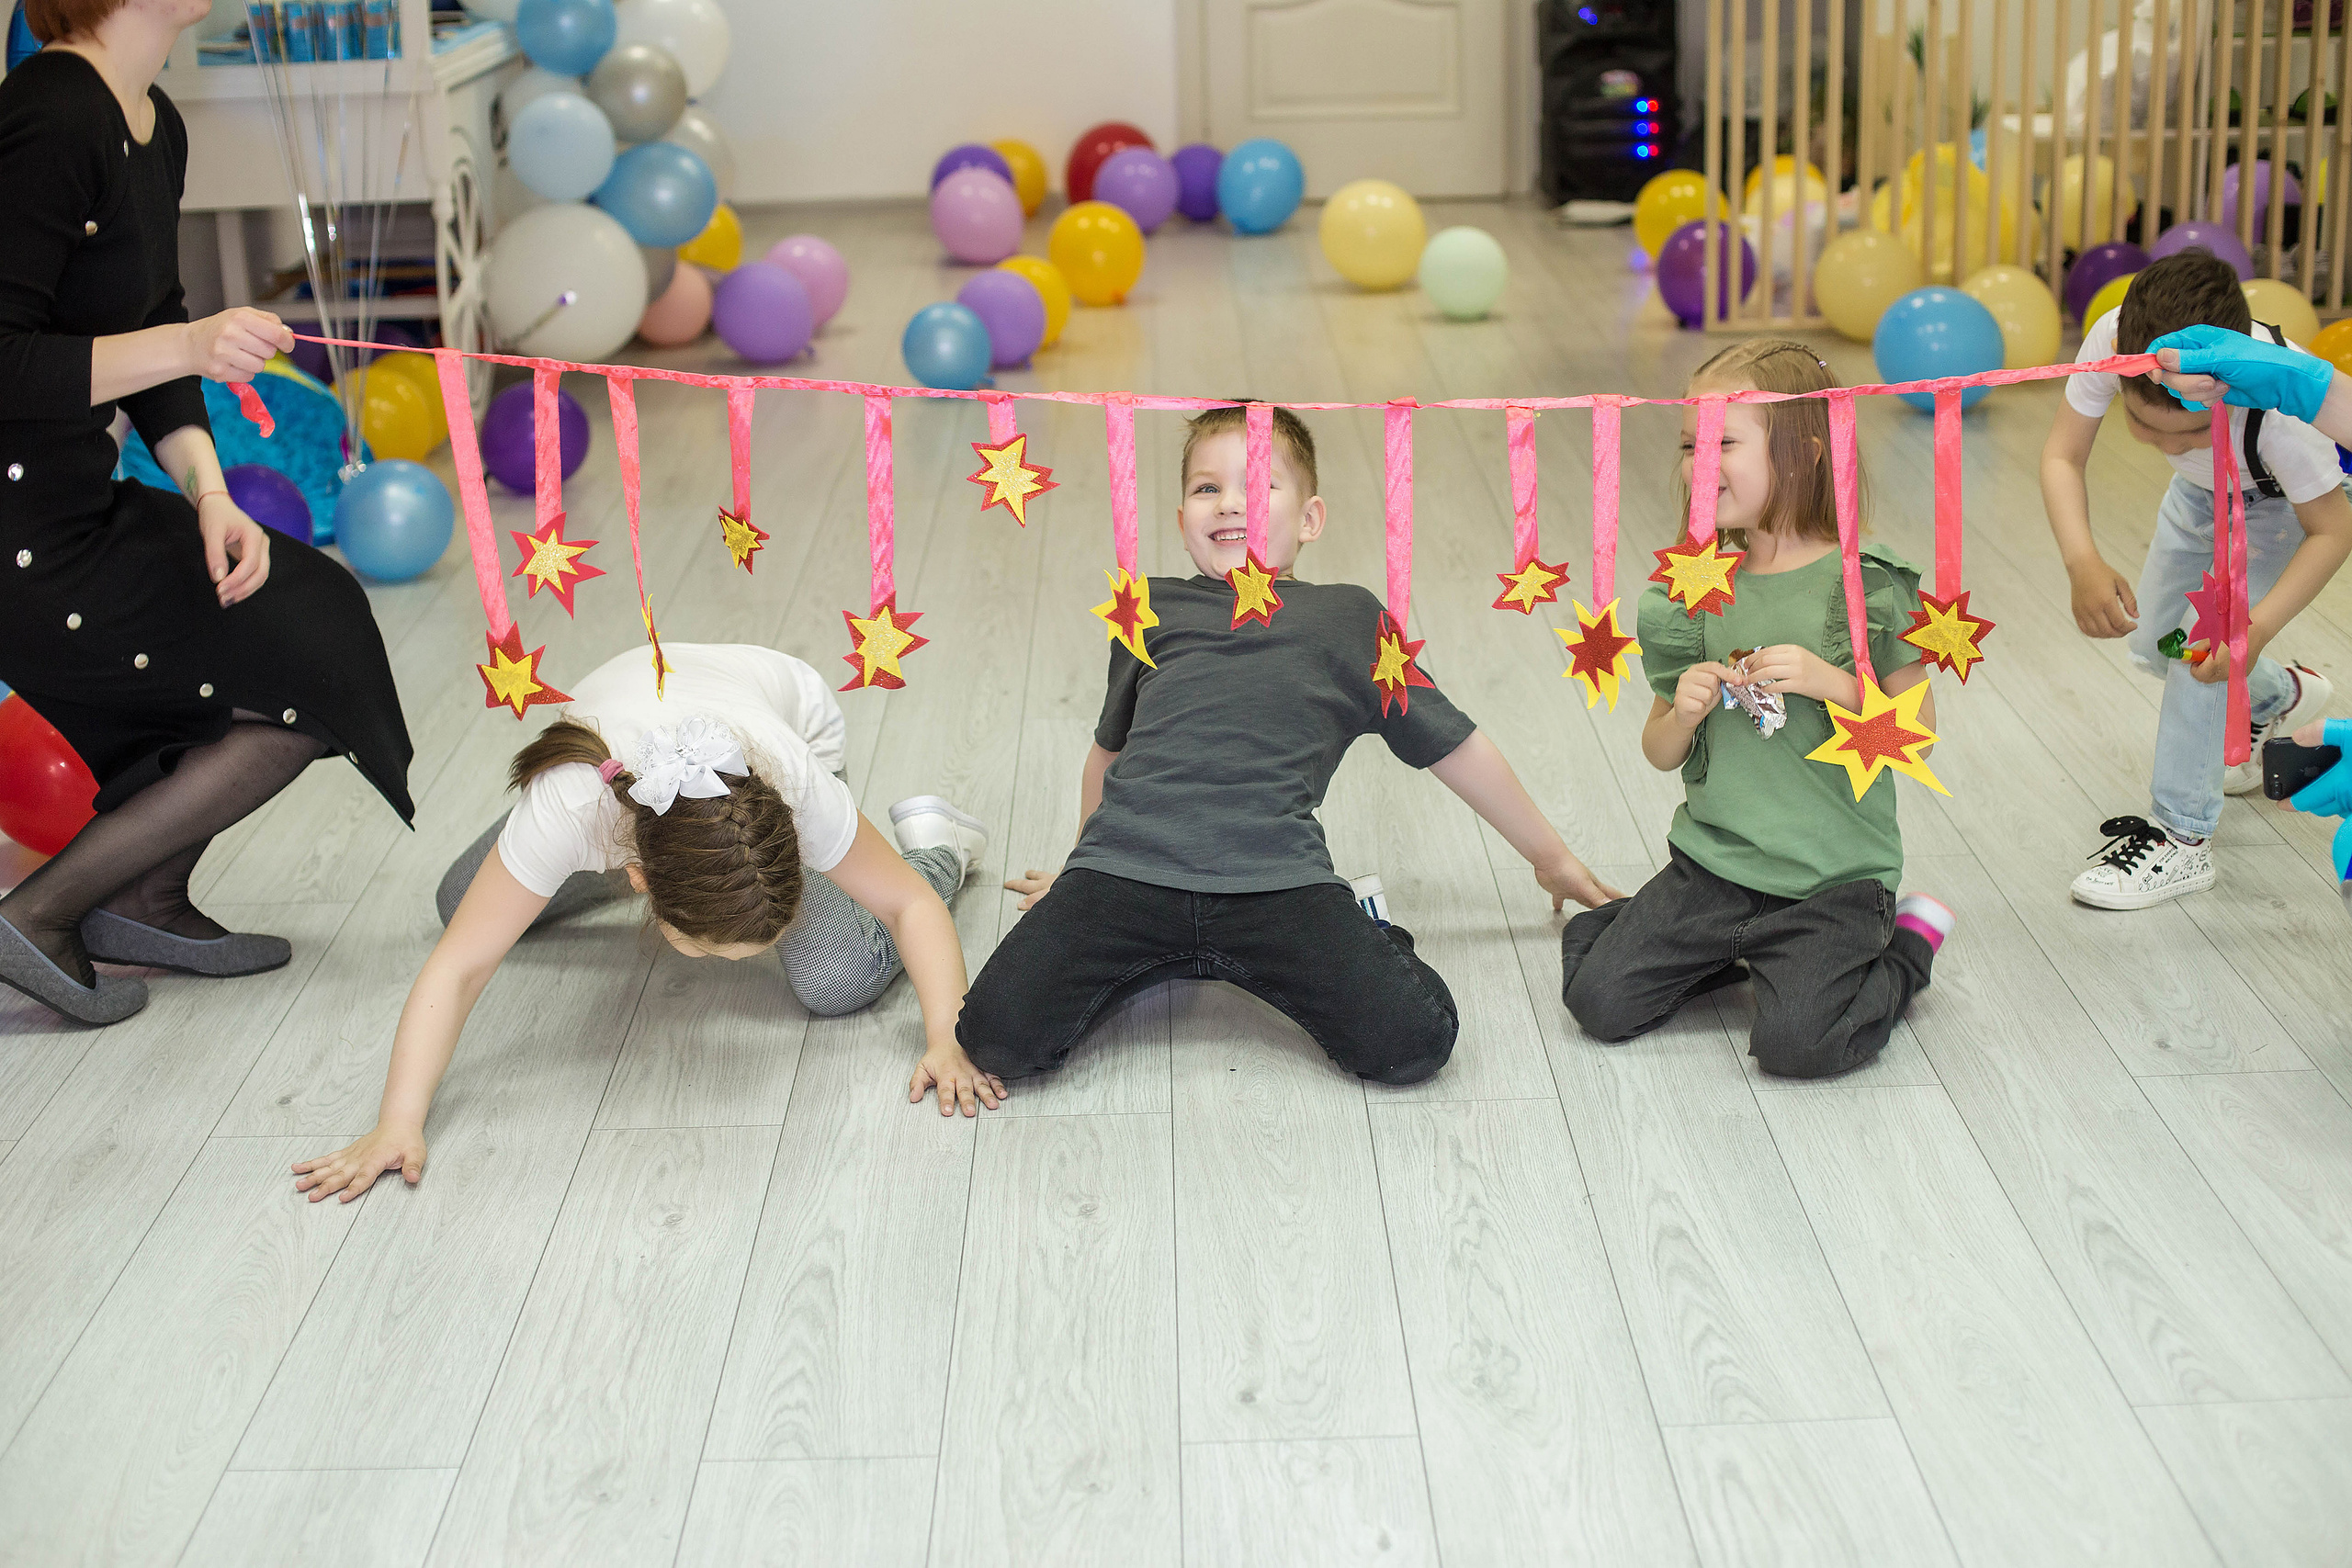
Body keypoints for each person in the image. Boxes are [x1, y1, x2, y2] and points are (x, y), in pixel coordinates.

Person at [954, 402, 1618, 1087]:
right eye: (1205, 488)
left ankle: (1365, 927)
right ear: (1182, 519)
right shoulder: (1148, 607)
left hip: (1277, 881)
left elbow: (1454, 744)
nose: (1228, 503)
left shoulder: (1349, 617)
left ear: (1309, 519)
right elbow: (1109, 753)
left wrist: (1552, 857)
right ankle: (1169, 953)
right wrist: (1078, 864)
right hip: (1127, 872)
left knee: (1413, 1040)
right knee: (992, 1035)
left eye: (1259, 483)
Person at [0, 0, 413, 1024]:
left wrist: (208, 491)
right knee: (305, 657)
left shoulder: (153, 117)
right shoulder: (51, 117)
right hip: (19, 535)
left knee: (309, 607)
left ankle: (143, 894)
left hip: (72, 500)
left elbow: (149, 324)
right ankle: (41, 910)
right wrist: (188, 347)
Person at [291, 642, 1001, 1201]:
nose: (735, 967)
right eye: (715, 950)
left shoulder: (795, 786)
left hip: (775, 711)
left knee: (834, 977)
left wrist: (950, 1035)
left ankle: (939, 846)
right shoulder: (568, 806)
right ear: (639, 880)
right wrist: (398, 1119)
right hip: (623, 762)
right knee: (460, 907)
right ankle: (582, 864)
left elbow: (908, 904)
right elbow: (460, 963)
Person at [1561, 341, 1951, 1079]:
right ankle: (1722, 950)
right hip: (1715, 867)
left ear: (1802, 455)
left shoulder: (1866, 587)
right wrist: (1682, 712)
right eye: (1688, 445)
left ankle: (1905, 949)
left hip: (1831, 883)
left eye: (1723, 442)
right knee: (1598, 1001)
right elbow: (1658, 749)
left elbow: (1920, 739)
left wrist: (1832, 682)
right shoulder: (1693, 593)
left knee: (1800, 1045)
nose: (1695, 465)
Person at [2041, 252, 2352, 909]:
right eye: (2140, 423)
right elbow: (2062, 454)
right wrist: (2082, 561)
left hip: (2277, 513)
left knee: (2197, 652)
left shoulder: (2283, 419)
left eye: (2179, 429)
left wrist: (2257, 626)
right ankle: (2277, 695)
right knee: (2154, 642)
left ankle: (2183, 837)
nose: (2161, 444)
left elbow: (2333, 529)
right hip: (2198, 500)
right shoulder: (2115, 340)